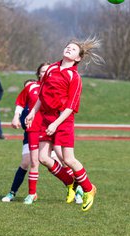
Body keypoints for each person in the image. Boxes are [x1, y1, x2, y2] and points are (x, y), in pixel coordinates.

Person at [25, 37, 104, 211]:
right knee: (43, 158)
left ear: (78, 58)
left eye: (73, 49)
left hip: (64, 120)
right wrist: (32, 112)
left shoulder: (74, 77)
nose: (68, 49)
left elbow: (70, 107)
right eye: (68, 47)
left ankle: (89, 189)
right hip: (47, 118)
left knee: (68, 159)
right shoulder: (51, 69)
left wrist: (56, 124)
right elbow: (42, 95)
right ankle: (70, 182)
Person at [1, 63, 50, 204]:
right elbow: (20, 103)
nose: (45, 73)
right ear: (38, 74)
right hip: (32, 132)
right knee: (26, 162)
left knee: (60, 161)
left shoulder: (54, 88)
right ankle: (12, 193)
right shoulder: (32, 87)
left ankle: (76, 189)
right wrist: (16, 117)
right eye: (42, 71)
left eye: (48, 70)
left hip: (48, 132)